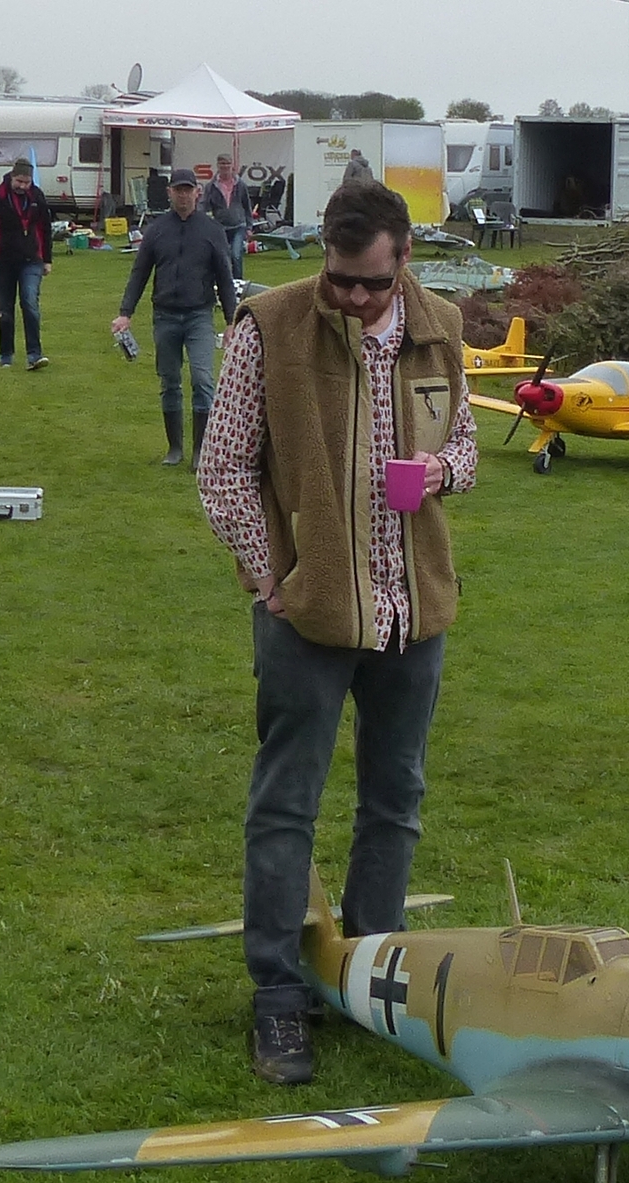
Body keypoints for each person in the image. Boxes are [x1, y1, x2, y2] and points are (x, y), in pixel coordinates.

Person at [197, 177, 479, 1085]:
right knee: (287, 804)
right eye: (339, 277)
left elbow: (467, 445)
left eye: (372, 283)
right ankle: (280, 998)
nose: (353, 297)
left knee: (396, 800)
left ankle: (373, 974)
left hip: (413, 612)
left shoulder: (440, 328)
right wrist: (271, 578)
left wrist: (437, 473)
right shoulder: (268, 326)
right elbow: (223, 468)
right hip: (308, 616)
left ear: (405, 261)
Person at [113, 166, 239, 467]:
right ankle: (175, 449)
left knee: (202, 379)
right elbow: (140, 273)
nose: (183, 195)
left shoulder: (212, 231)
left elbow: (225, 277)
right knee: (169, 381)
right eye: (178, 190)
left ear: (198, 192)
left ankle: (200, 452)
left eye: (188, 190)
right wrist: (125, 313)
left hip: (199, 316)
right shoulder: (156, 230)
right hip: (165, 316)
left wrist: (232, 321)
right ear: (170, 192)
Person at [0, 157, 54, 369]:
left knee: (30, 303)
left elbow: (45, 228)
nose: (23, 186)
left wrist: (47, 259)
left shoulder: (37, 196)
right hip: (2, 261)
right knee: (5, 309)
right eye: (19, 181)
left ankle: (34, 355)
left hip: (31, 260)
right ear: (12, 176)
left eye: (27, 182)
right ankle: (6, 355)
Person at [204, 152, 255, 281]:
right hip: (220, 227)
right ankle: (224, 282)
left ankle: (238, 283)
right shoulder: (211, 186)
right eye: (222, 163)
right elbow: (204, 206)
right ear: (218, 165)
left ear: (232, 165)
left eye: (228, 163)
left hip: (239, 225)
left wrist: (249, 227)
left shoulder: (240, 184)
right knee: (222, 257)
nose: (225, 166)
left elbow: (247, 206)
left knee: (236, 255)